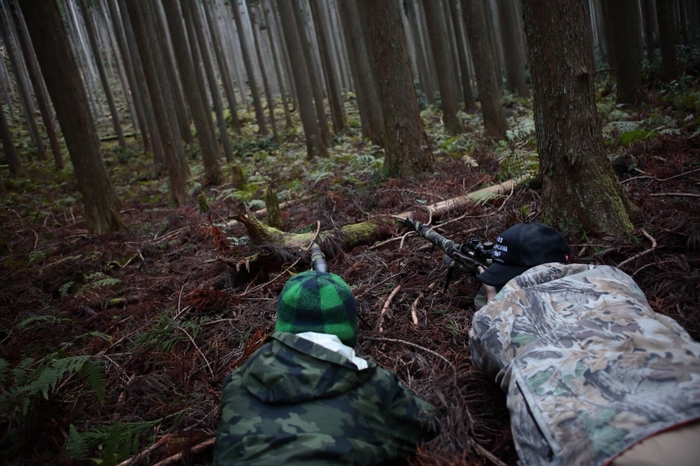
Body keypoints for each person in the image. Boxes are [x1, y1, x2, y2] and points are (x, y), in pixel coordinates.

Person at [469, 222, 700, 466]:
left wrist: (493, 304)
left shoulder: (493, 316)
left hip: (604, 447)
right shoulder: (616, 279)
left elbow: (483, 356)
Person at [213, 270, 439, 465]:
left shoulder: (237, 383)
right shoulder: (375, 386)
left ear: (281, 323)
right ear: (349, 327)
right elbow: (431, 424)